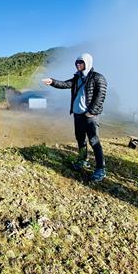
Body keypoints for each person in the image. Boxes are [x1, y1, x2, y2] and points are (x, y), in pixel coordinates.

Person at [42, 53, 108, 182]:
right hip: (77, 115)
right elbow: (65, 84)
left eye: (81, 62)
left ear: (87, 63)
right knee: (80, 139)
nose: (78, 64)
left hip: (90, 116)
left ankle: (100, 169)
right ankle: (83, 161)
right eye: (77, 62)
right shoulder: (77, 78)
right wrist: (52, 82)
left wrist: (92, 112)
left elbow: (101, 96)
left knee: (94, 141)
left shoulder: (97, 77)